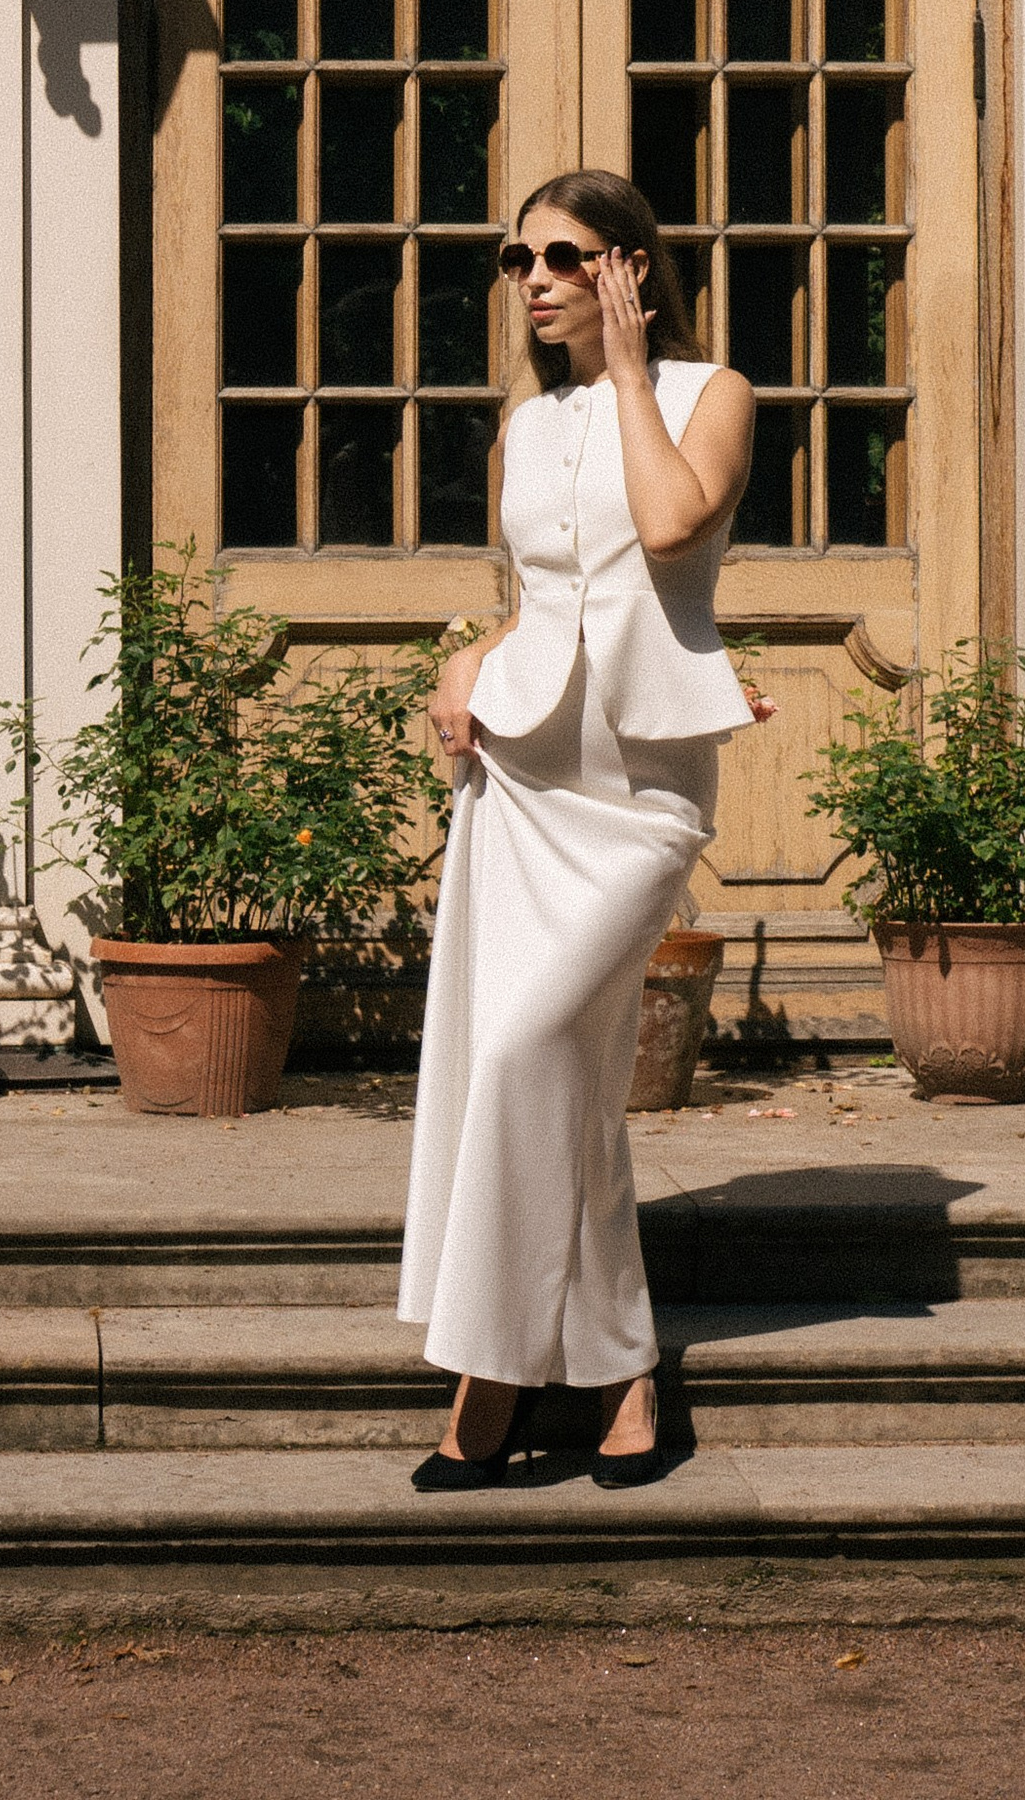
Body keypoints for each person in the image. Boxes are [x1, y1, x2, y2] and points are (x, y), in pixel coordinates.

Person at [398, 168, 756, 1490]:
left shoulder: (706, 397)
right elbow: (534, 597)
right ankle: (610, 1375)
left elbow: (667, 528)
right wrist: (464, 662)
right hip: (523, 779)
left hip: (642, 792)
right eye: (516, 260)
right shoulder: (521, 428)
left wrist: (629, 369)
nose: (534, 279)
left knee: (532, 1044)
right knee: (555, 1080)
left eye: (563, 256)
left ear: (630, 268)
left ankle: (492, 1378)